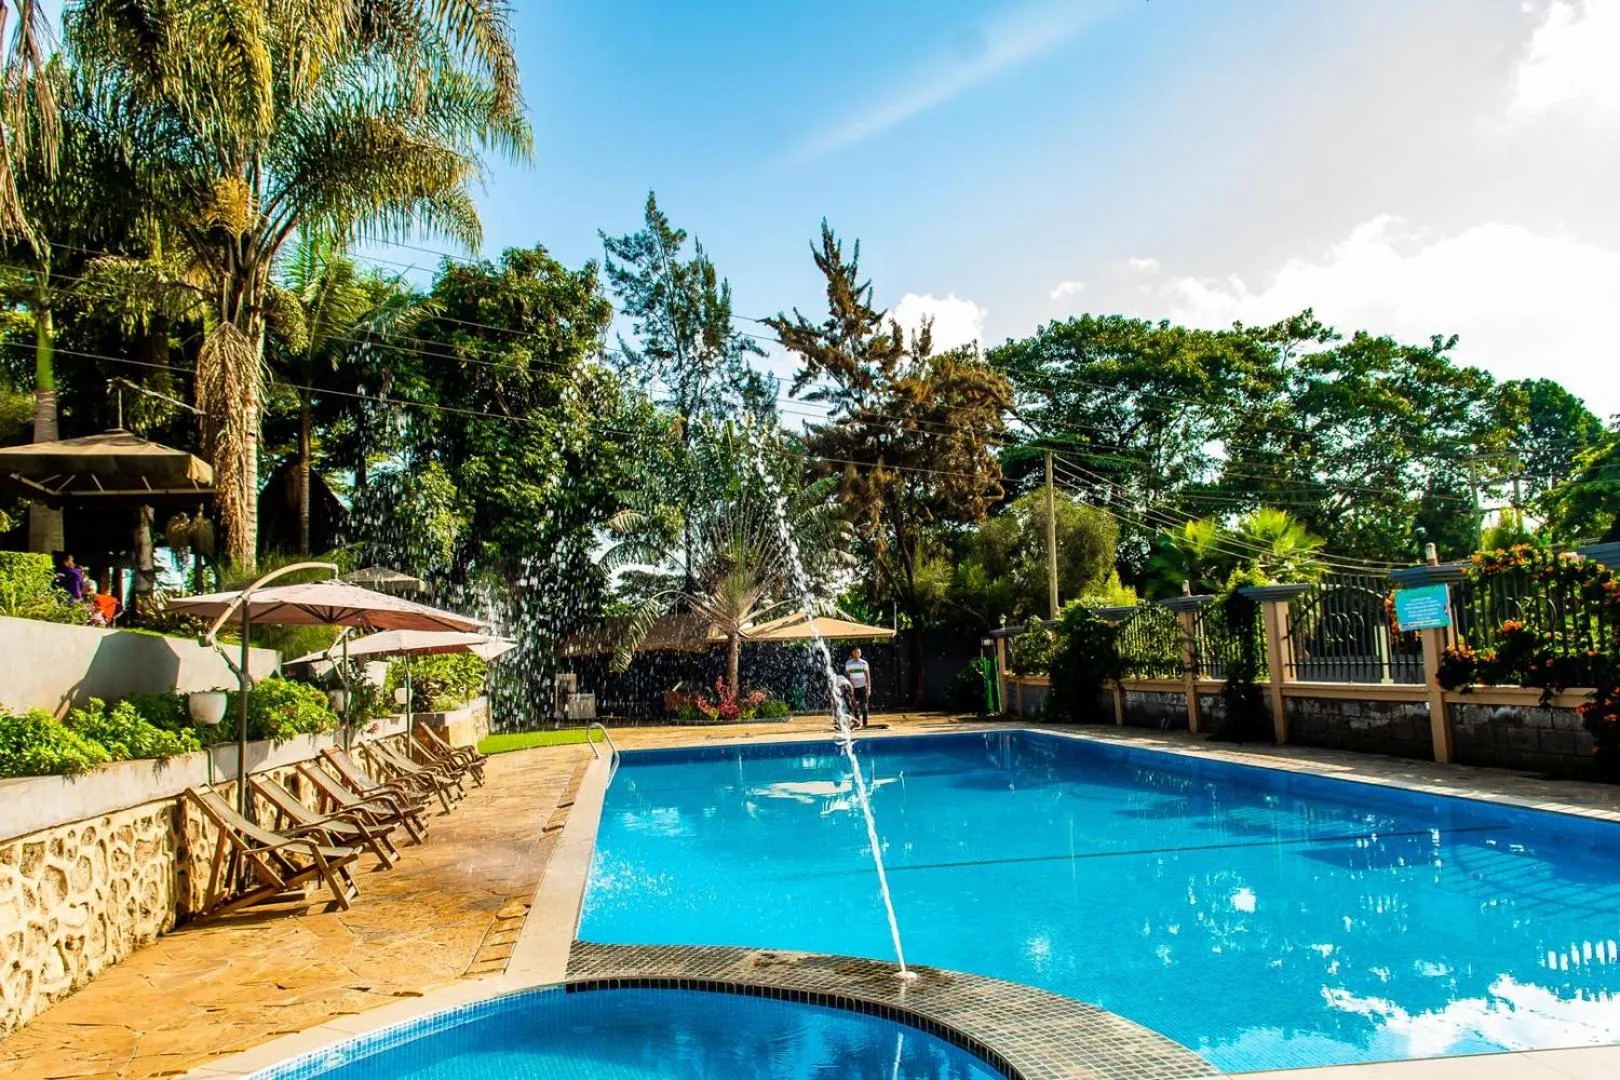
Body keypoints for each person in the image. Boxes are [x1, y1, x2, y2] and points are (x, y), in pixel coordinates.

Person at [843, 647, 871, 727]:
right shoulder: (848, 663)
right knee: (854, 705)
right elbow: (847, 676)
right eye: (856, 652)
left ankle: (865, 724)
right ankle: (857, 722)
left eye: (859, 652)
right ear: (852, 653)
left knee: (864, 706)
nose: (857, 654)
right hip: (853, 688)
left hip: (863, 687)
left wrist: (868, 688)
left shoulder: (864, 663)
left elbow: (868, 676)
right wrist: (849, 688)